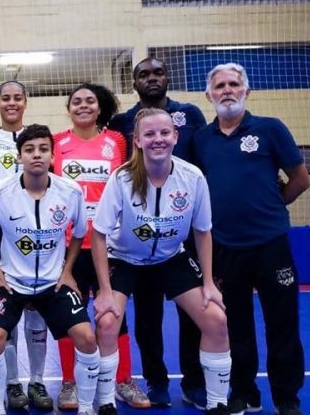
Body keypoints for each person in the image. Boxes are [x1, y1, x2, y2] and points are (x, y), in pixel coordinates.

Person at [92, 107, 231, 415]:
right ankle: (105, 402)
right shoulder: (122, 178)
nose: (158, 139)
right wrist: (104, 290)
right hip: (125, 258)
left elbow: (203, 231)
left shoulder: (192, 177)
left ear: (175, 136)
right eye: (150, 134)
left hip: (170, 257)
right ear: (137, 140)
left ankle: (217, 403)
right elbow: (99, 234)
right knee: (107, 322)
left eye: (165, 132)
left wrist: (209, 283)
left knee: (217, 320)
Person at [194, 63, 309, 415]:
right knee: (237, 325)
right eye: (220, 86)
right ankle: (245, 393)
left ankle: (286, 398)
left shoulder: (270, 128)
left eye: (234, 84)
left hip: (271, 245)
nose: (227, 90)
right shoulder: (201, 139)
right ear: (209, 95)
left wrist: (271, 206)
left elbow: (300, 179)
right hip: (225, 248)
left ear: (247, 90)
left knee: (283, 324)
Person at [0, 124, 100, 415]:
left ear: (52, 155)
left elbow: (80, 232)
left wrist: (67, 270)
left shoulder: (69, 191)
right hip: (12, 281)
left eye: (43, 149)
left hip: (52, 282)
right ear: (19, 156)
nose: (36, 155)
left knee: (87, 337)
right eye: (29, 150)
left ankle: (85, 408)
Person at [109, 57, 209, 409]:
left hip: (181, 231)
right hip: (141, 235)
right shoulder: (122, 122)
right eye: (143, 74)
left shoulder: (190, 115)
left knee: (193, 313)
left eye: (158, 73)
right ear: (134, 82)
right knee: (148, 317)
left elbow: (203, 163)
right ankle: (156, 381)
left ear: (168, 77)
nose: (151, 78)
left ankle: (194, 383)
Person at [50, 83, 133, 410]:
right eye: (76, 102)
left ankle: (122, 380)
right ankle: (69, 383)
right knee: (69, 316)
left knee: (113, 315)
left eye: (90, 101)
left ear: (100, 108)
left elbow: (126, 186)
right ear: (68, 109)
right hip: (67, 246)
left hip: (108, 245)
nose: (83, 106)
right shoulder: (57, 142)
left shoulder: (117, 141)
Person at [0, 81, 52, 410]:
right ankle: (12, 383)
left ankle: (37, 381)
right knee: (7, 314)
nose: (11, 103)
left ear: (25, 101)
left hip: (38, 237)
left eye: (17, 98)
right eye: (5, 98)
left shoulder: (38, 140)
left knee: (37, 313)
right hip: (2, 236)